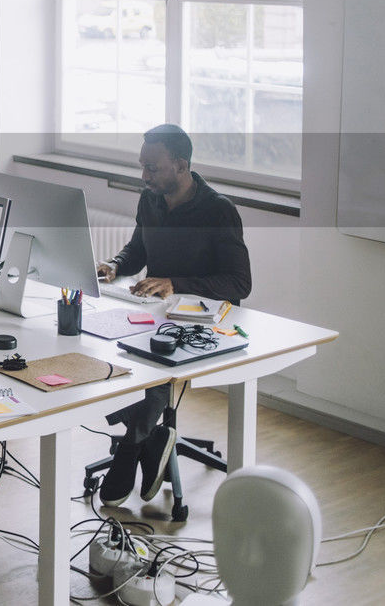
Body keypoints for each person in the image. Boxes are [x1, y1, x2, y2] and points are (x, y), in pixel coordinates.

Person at [94, 124, 252, 508]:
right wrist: (114, 266)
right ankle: (152, 437)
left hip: (204, 321)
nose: (144, 176)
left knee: (151, 358)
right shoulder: (150, 199)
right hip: (158, 313)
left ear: (181, 165)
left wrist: (174, 284)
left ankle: (134, 443)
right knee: (109, 347)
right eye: (142, 167)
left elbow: (239, 283)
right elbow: (137, 251)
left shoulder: (218, 210)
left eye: (152, 168)